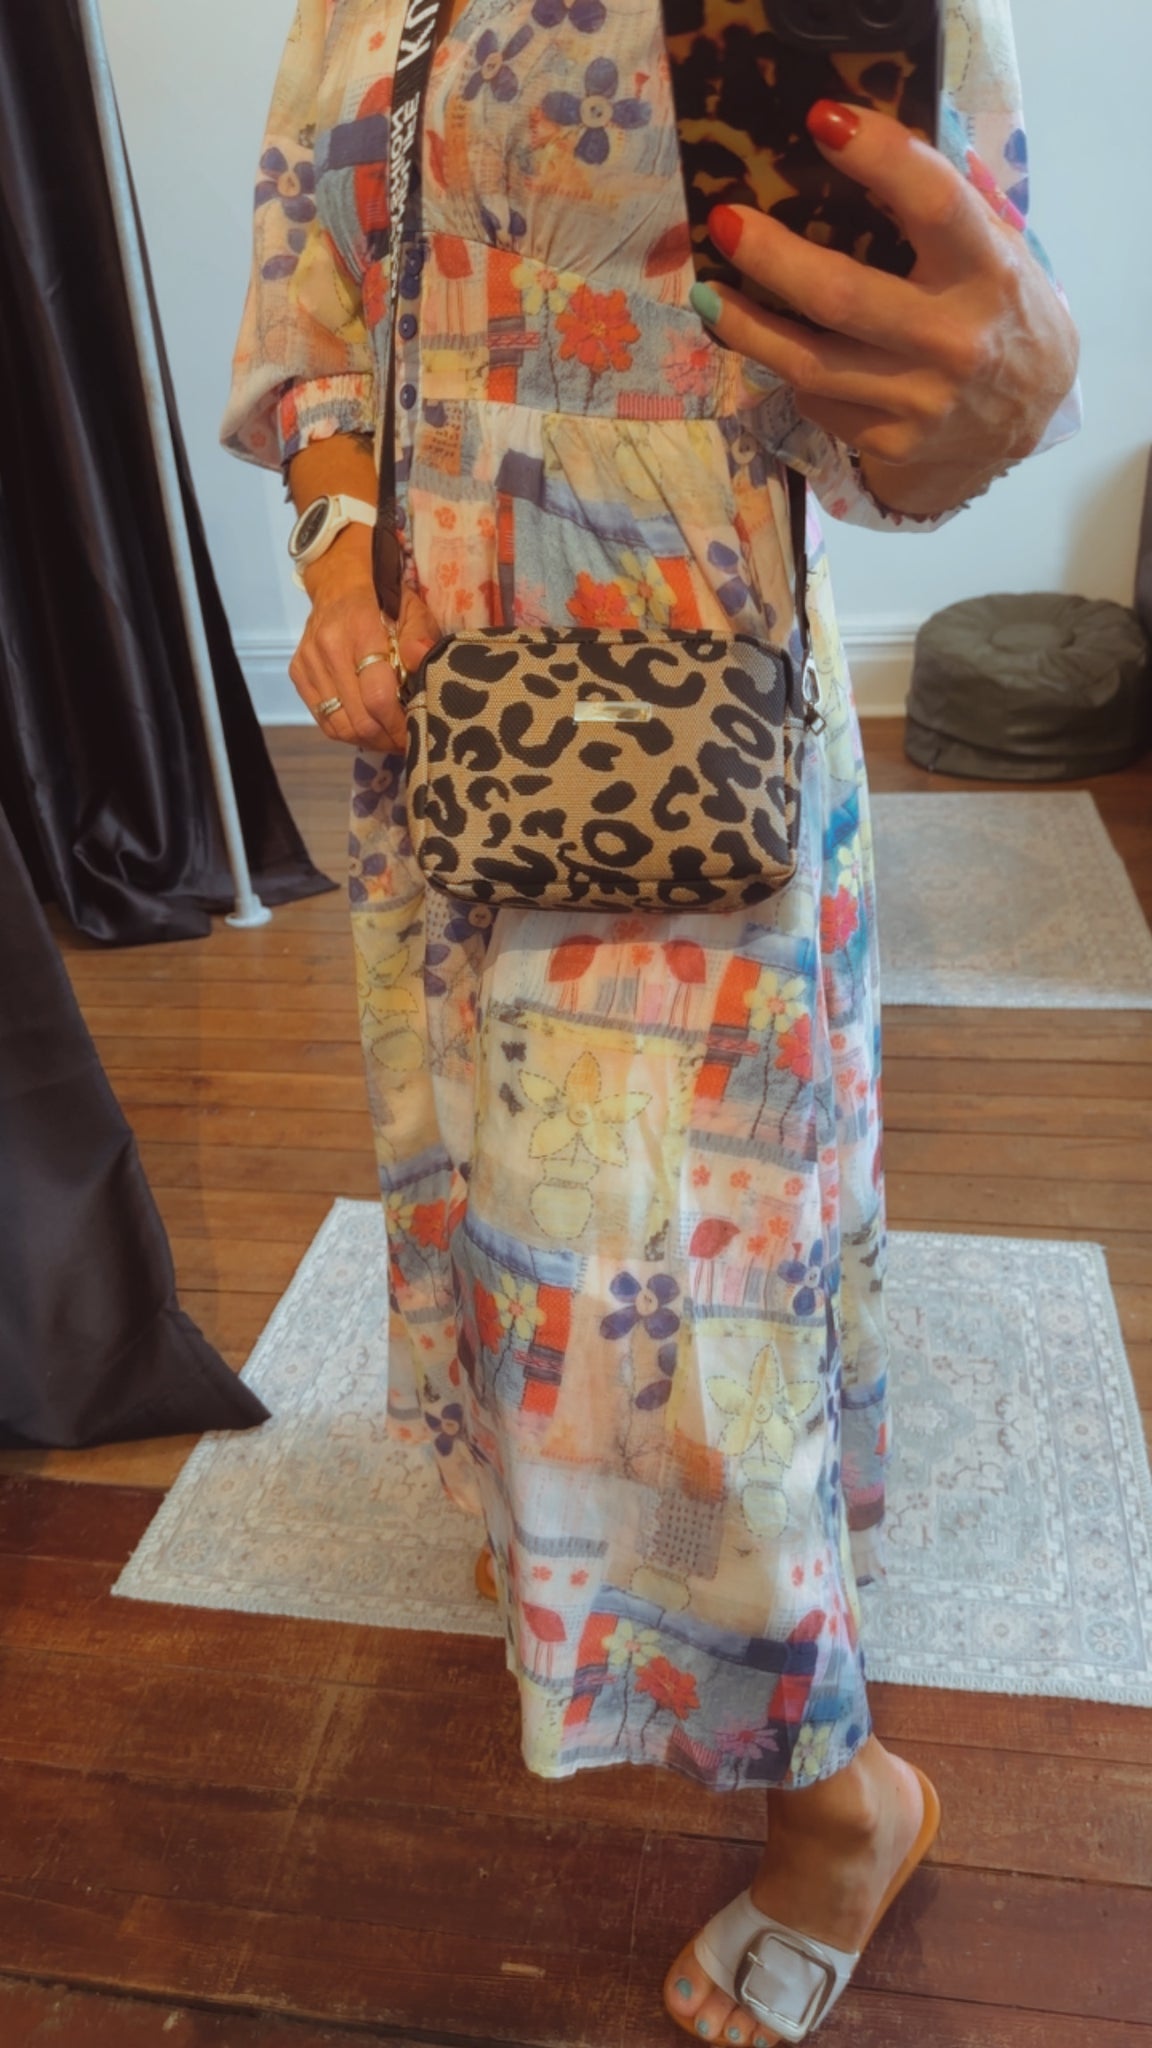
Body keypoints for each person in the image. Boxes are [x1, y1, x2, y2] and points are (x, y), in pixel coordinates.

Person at [223, 1, 1079, 2037]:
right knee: (504, 1218)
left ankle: (841, 1802)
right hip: (441, 720)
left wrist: (998, 402)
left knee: (686, 1292)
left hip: (686, 711)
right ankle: (567, 1535)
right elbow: (317, 318)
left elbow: (929, 365)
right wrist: (336, 564)